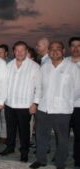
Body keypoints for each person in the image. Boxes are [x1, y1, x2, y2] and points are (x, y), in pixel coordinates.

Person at [30, 41, 80, 169]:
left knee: (62, 139)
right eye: (51, 49)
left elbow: (77, 90)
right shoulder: (45, 67)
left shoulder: (72, 67)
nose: (54, 51)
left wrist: (66, 100)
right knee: (41, 136)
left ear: (63, 51)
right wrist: (36, 102)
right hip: (43, 108)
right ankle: (41, 159)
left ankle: (60, 162)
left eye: (58, 48)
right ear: (49, 52)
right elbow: (39, 87)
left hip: (62, 110)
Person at [0, 41, 40, 163]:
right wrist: (2, 100)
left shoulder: (34, 66)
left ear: (26, 51)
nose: (19, 53)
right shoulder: (9, 65)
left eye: (22, 50)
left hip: (25, 105)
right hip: (10, 104)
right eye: (17, 50)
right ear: (13, 52)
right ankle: (10, 148)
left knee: (24, 131)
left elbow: (39, 87)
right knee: (10, 129)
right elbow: (4, 85)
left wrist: (35, 103)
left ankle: (24, 152)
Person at [67, 37, 80, 168]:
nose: (76, 49)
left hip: (78, 106)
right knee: (62, 134)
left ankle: (78, 158)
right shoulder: (64, 62)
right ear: (70, 48)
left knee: (79, 135)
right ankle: (60, 155)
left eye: (79, 46)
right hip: (64, 106)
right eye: (73, 46)